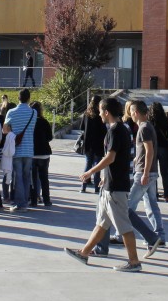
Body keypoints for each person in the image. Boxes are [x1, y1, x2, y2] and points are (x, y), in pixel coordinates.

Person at [63, 97, 150, 273]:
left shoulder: (115, 131)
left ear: (107, 112)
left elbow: (110, 157)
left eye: (101, 111)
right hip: (111, 183)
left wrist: (90, 172)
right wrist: (104, 176)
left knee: (124, 226)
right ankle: (84, 253)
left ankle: (134, 262)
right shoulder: (121, 129)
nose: (100, 114)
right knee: (102, 223)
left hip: (116, 186)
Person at [97, 100, 166, 253]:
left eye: (132, 111)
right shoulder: (145, 127)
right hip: (146, 171)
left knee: (126, 207)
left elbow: (149, 151)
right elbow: (144, 152)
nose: (130, 115)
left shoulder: (143, 128)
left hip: (144, 173)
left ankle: (151, 238)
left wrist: (145, 172)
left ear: (136, 112)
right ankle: (157, 235)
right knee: (150, 205)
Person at [2, 88, 37, 213]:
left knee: (18, 176)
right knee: (27, 176)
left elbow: (4, 130)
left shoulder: (11, 112)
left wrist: (12, 130)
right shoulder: (34, 112)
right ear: (29, 98)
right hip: (29, 148)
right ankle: (25, 201)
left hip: (16, 149)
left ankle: (19, 203)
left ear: (18, 98)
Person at [151, 101, 168, 202]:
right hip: (164, 147)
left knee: (153, 172)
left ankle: (155, 193)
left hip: (153, 147)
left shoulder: (151, 121)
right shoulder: (166, 120)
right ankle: (167, 194)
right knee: (164, 173)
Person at [80, 94, 106, 193]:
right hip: (98, 142)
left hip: (88, 142)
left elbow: (82, 127)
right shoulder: (100, 114)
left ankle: (83, 186)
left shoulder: (86, 113)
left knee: (88, 164)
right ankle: (96, 187)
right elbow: (104, 130)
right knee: (97, 165)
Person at [31, 101, 53, 207]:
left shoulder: (30, 122)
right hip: (44, 153)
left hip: (32, 153)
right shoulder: (44, 122)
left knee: (33, 178)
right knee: (44, 178)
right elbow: (50, 137)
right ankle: (46, 200)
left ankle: (34, 200)